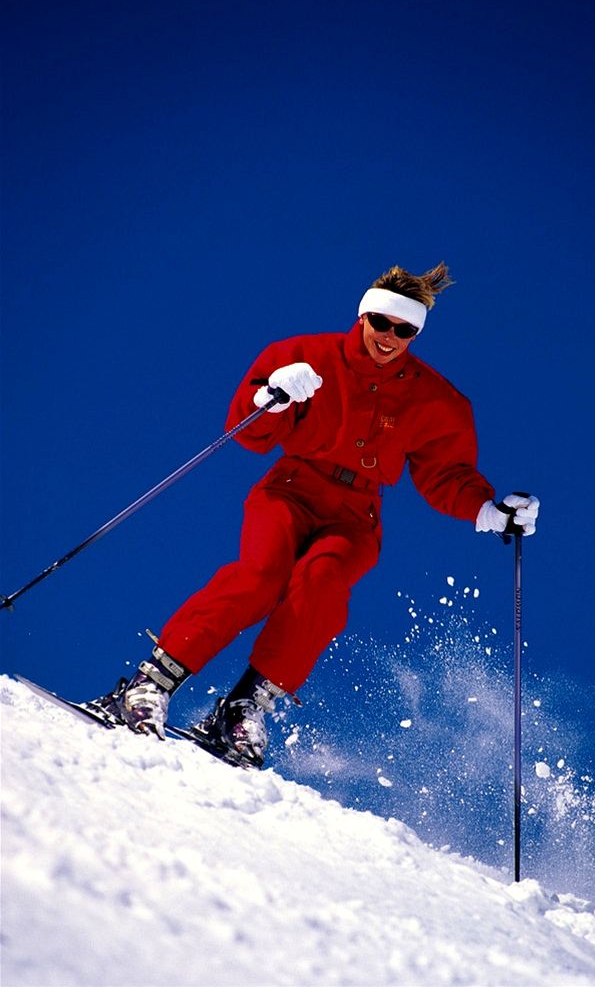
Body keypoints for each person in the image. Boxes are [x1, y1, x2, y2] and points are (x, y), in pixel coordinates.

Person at [92, 262, 539, 766]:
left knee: (323, 586)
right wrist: (273, 396)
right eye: (382, 323)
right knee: (261, 575)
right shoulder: (307, 357)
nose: (390, 337)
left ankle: (242, 710)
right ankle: (150, 684)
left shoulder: (435, 398)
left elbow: (446, 473)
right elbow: (249, 430)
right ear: (364, 316)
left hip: (356, 512)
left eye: (405, 330)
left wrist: (489, 509)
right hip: (291, 488)